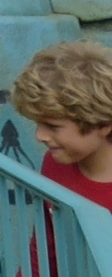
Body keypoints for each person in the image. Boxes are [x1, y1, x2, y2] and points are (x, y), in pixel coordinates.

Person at [13, 40, 112, 210]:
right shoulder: (54, 164)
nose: (39, 136)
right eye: (38, 123)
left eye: (52, 126)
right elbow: (47, 226)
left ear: (103, 125)